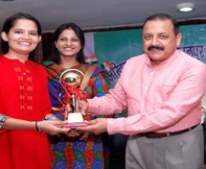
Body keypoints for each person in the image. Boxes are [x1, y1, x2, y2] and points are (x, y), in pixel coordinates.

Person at [75, 13, 206, 169]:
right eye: (148, 37)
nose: (154, 42)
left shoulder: (194, 68)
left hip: (178, 143)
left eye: (163, 36)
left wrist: (111, 125)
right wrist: (87, 105)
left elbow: (168, 114)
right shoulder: (132, 64)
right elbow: (116, 100)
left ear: (177, 39)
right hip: (136, 142)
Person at [0, 12, 70, 169]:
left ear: (38, 39)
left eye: (32, 33)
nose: (26, 37)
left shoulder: (40, 70)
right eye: (18, 32)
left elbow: (44, 112)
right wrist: (36, 126)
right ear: (5, 36)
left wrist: (60, 125)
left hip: (34, 146)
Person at [42, 23, 111, 169]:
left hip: (88, 141)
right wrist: (56, 126)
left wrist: (87, 129)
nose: (68, 43)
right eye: (63, 39)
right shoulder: (42, 72)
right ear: (55, 43)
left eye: (74, 39)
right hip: (51, 139)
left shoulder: (94, 73)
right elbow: (35, 106)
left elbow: (108, 106)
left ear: (81, 45)